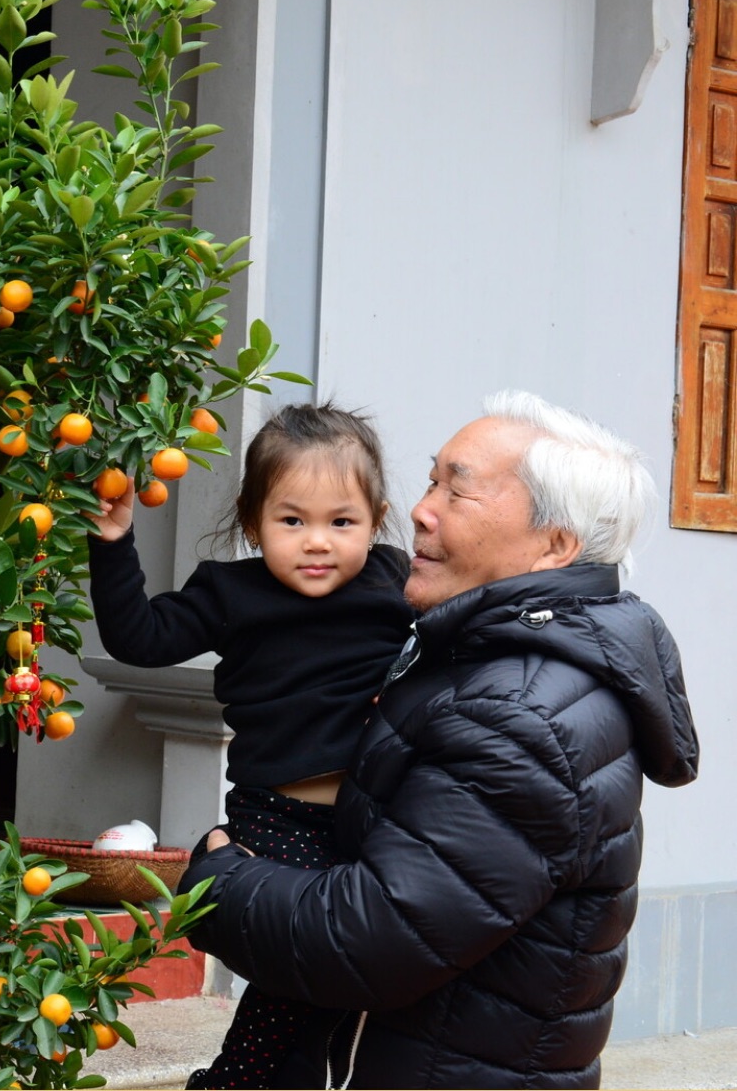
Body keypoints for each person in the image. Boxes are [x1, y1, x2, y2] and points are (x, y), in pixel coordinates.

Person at [179, 390, 699, 1089]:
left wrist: (219, 880)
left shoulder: (521, 715)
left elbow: (371, 940)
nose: (421, 510)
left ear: (554, 545)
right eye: (431, 481)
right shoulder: (476, 659)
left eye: (458, 491)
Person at [87, 402, 416, 1089]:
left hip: (378, 817)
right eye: (292, 521)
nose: (317, 542)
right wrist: (114, 541)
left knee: (352, 979)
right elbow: (139, 638)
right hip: (278, 818)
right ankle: (233, 1079)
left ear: (376, 520)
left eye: (342, 522)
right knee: (297, 966)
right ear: (252, 521)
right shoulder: (231, 593)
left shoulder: (393, 581)